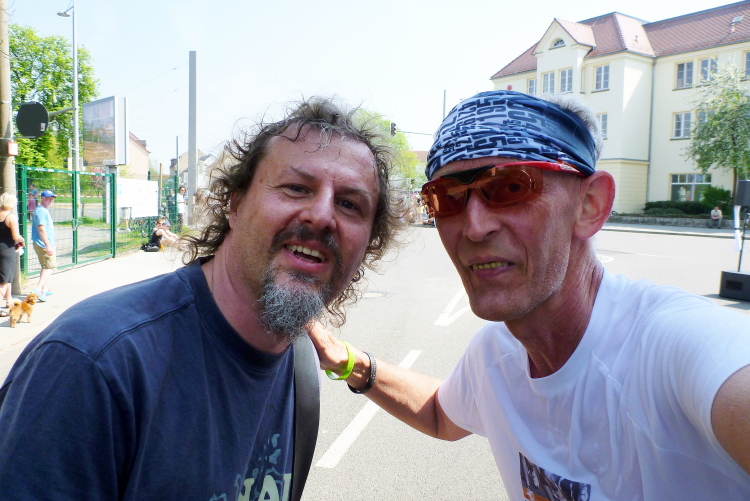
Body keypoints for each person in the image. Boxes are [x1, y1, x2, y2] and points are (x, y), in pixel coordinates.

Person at [310, 90, 750, 499]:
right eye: (447, 197)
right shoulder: (494, 356)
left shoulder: (676, 348)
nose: (474, 227)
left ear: (590, 205)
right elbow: (442, 414)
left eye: (510, 188)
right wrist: (345, 360)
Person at [0, 97, 401, 500]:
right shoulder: (93, 365)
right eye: (296, 188)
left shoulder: (301, 364)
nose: (323, 216)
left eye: (349, 204)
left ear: (368, 243)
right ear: (235, 204)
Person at [0, 193, 25, 316]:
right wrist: (22, 240)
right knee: (4, 281)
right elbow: (16, 236)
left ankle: (9, 300)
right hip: (7, 250)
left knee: (7, 276)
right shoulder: (11, 217)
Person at [31, 189, 56, 302]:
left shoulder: (42, 210)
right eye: (47, 198)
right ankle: (38, 289)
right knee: (50, 266)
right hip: (43, 244)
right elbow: (41, 229)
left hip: (43, 243)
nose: (50, 200)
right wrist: (48, 245)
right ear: (42, 198)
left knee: (45, 266)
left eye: (51, 198)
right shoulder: (41, 211)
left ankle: (44, 289)